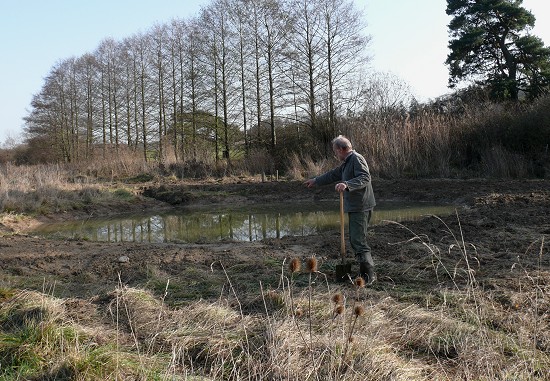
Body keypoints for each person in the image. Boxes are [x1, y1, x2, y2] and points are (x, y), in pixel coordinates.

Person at [304, 135, 376, 283]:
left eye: (336, 151)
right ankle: (364, 273)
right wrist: (316, 180)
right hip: (355, 206)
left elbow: (365, 177)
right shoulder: (347, 162)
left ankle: (369, 276)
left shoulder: (356, 158)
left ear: (342, 149)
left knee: (358, 241)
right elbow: (333, 174)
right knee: (356, 240)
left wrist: (347, 184)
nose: (335, 154)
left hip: (361, 206)